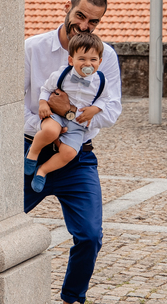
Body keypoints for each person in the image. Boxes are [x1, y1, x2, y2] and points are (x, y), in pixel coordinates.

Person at [24, 0, 121, 304]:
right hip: (31, 151)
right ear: (68, 7)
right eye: (80, 16)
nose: (84, 26)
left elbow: (111, 110)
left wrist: (70, 114)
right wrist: (49, 123)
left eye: (93, 22)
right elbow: (10, 104)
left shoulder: (105, 56)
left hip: (78, 156)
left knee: (90, 235)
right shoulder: (33, 49)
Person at [25, 31, 106, 194]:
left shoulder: (100, 81)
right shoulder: (61, 75)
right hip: (57, 115)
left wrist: (95, 109)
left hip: (78, 124)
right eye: (82, 59)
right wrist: (43, 103)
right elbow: (46, 89)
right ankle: (33, 153)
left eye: (93, 60)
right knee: (50, 131)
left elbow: (104, 100)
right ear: (71, 60)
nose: (87, 64)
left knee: (69, 153)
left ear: (100, 61)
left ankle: (42, 170)